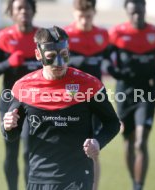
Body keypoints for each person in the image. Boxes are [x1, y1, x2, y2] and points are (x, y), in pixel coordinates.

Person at [2, 26, 120, 190]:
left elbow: (112, 123)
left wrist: (98, 142)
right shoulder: (23, 87)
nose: (59, 63)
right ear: (38, 55)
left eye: (64, 55)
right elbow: (12, 134)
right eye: (51, 57)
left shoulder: (89, 85)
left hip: (78, 178)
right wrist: (8, 126)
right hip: (38, 179)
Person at [106, 0, 155, 190]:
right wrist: (115, 73)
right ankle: (134, 180)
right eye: (132, 13)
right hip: (124, 94)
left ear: (144, 10)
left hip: (147, 93)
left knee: (141, 142)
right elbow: (106, 58)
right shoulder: (117, 34)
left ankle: (138, 186)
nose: (136, 16)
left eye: (139, 12)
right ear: (127, 12)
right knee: (129, 140)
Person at [0, 0, 41, 190]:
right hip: (10, 104)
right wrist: (8, 63)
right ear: (12, 12)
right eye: (19, 8)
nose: (24, 11)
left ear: (34, 10)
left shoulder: (43, 38)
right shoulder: (2, 38)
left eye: (28, 7)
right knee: (11, 151)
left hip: (37, 105)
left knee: (29, 151)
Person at [64, 1, 110, 189]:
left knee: (93, 151)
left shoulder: (103, 35)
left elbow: (110, 61)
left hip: (95, 102)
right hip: (69, 101)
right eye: (80, 16)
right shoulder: (65, 36)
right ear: (74, 14)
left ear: (94, 13)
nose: (84, 20)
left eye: (88, 16)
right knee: (67, 151)